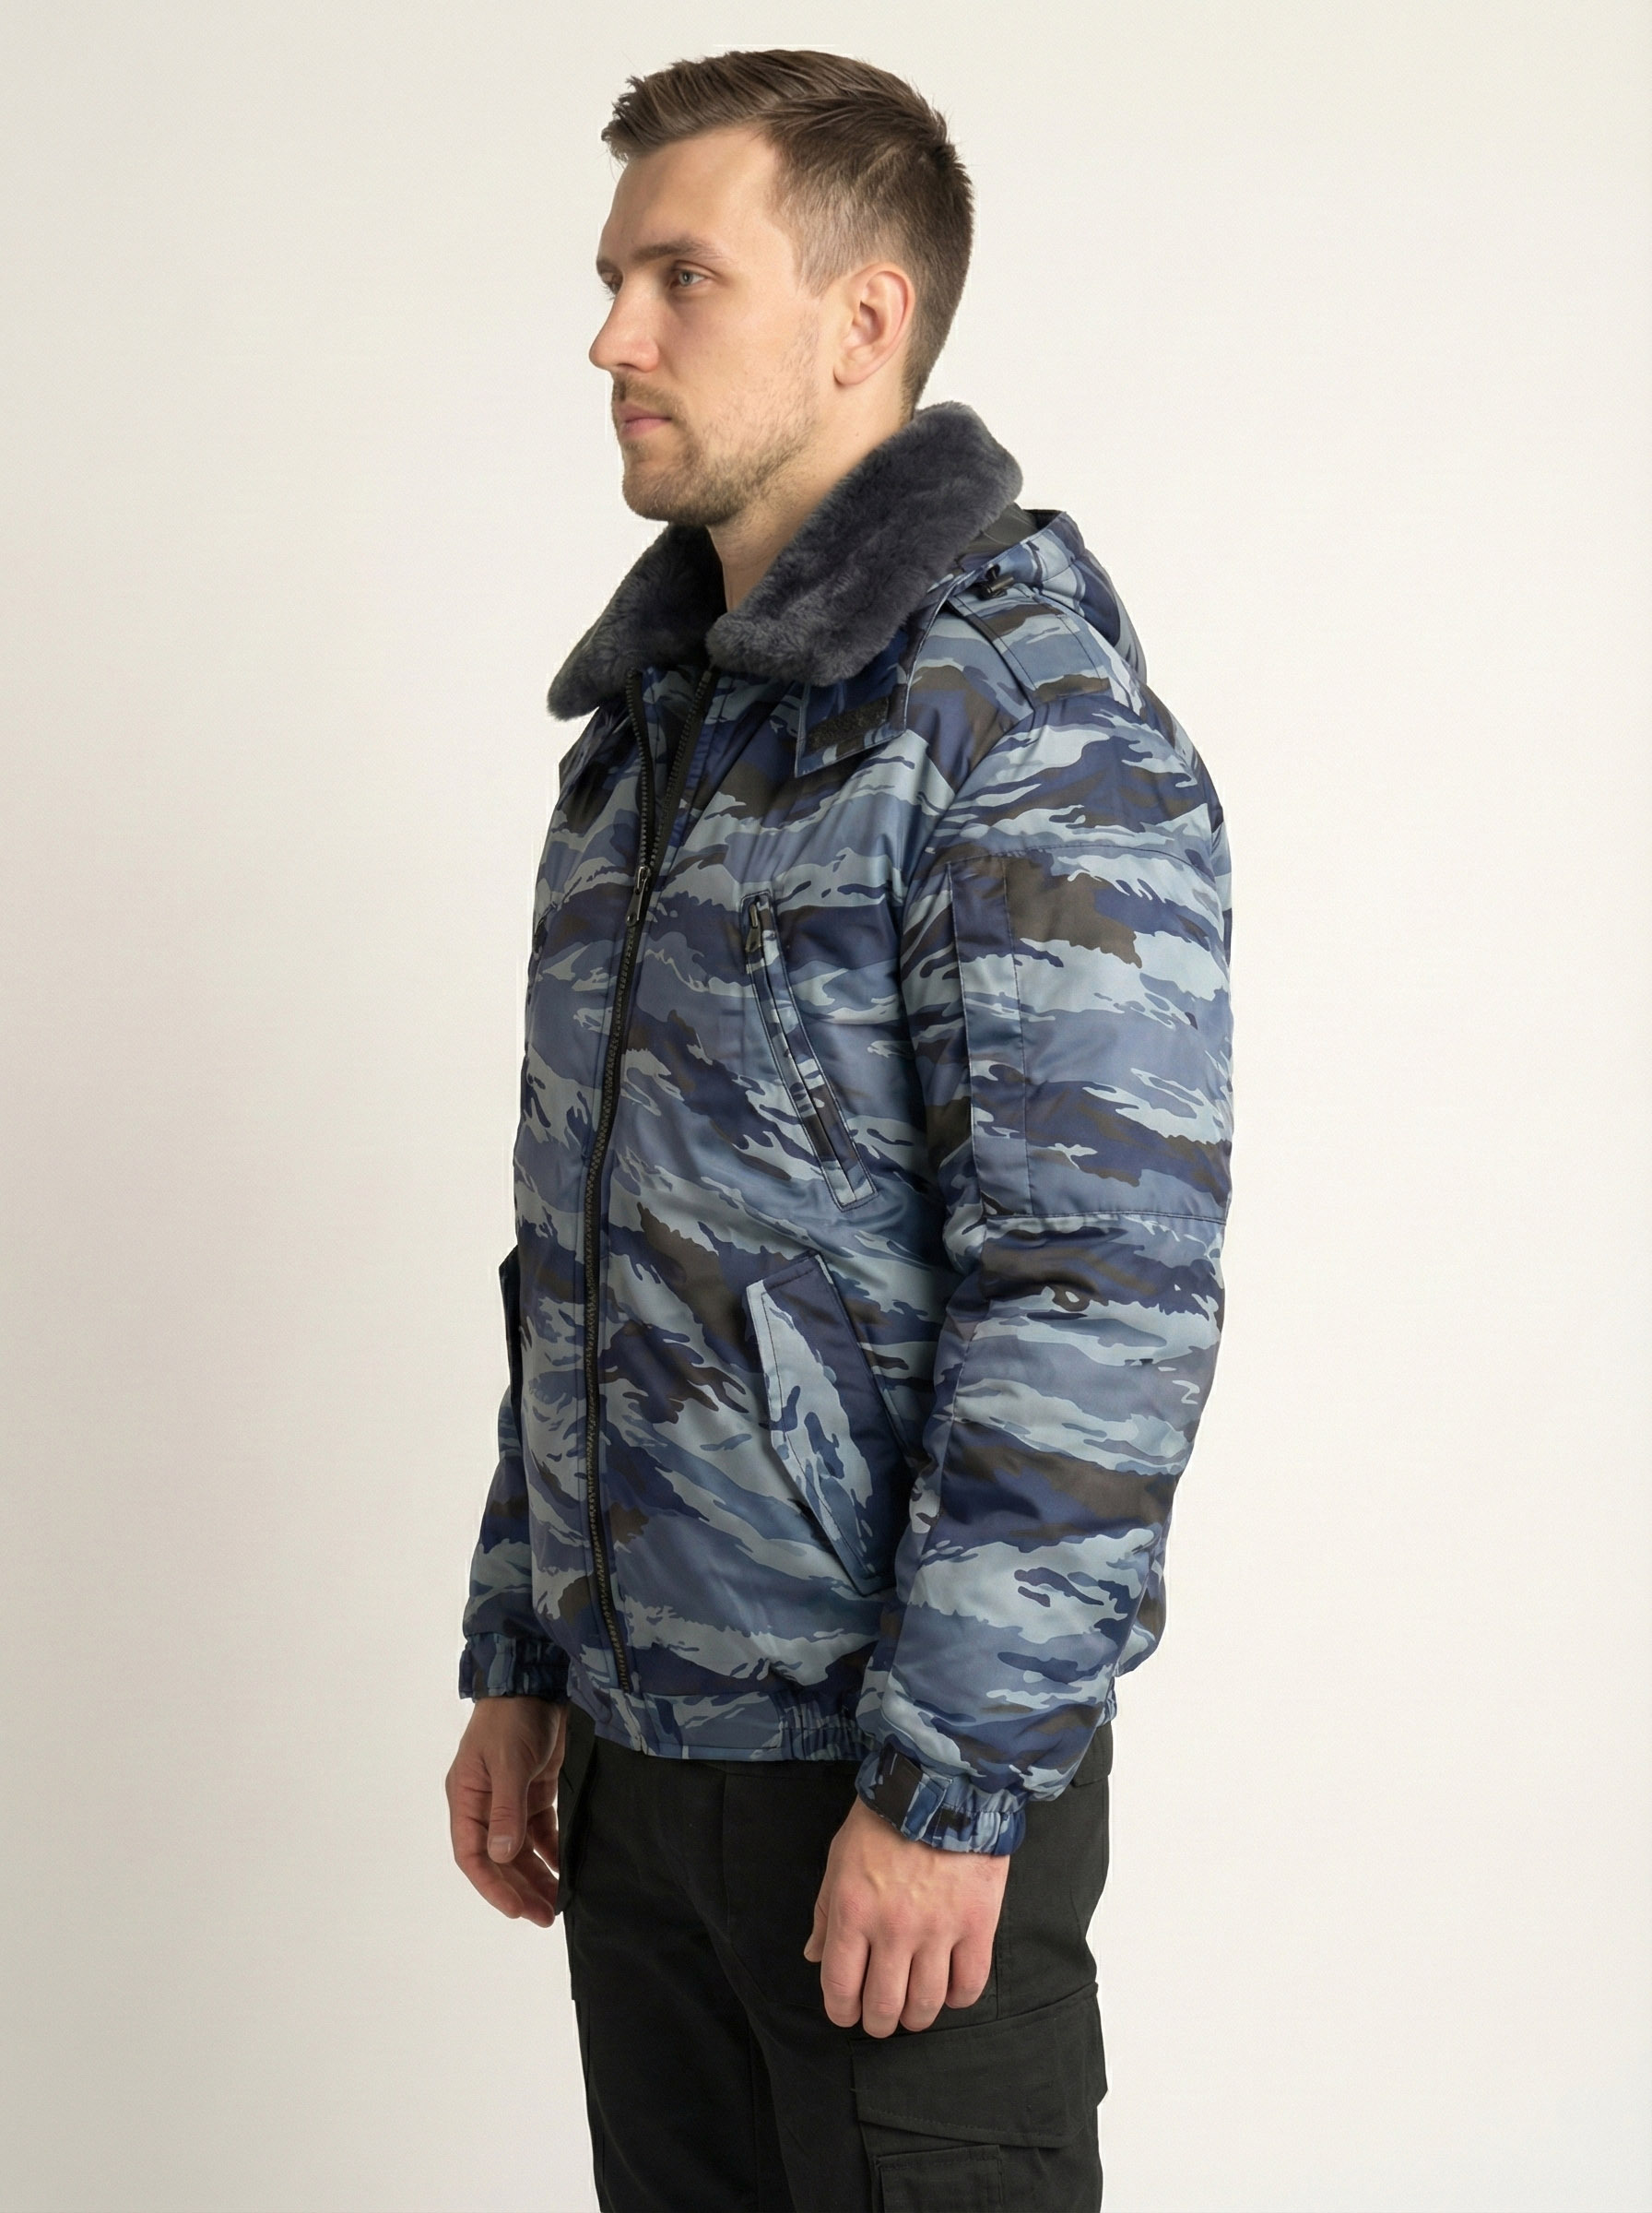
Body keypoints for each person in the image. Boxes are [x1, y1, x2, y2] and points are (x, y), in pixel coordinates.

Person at [444, 47, 1232, 2213]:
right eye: (611, 281)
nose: (612, 337)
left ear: (862, 317)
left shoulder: (1017, 715)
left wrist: (947, 1785)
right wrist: (523, 1654)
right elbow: (582, 1249)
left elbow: (1095, 1293)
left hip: (881, 1785)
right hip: (635, 1766)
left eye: (680, 278)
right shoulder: (644, 744)